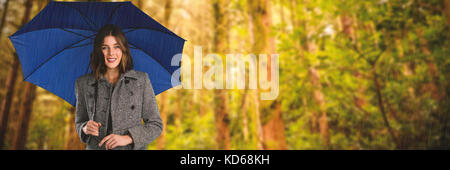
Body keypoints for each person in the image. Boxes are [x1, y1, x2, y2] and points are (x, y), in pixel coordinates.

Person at [74, 24, 163, 150]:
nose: (111, 53)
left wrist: (127, 138)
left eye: (116, 47)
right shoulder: (83, 83)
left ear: (123, 49)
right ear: (99, 50)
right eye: (105, 47)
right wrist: (85, 128)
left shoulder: (141, 80)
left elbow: (156, 125)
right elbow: (80, 122)